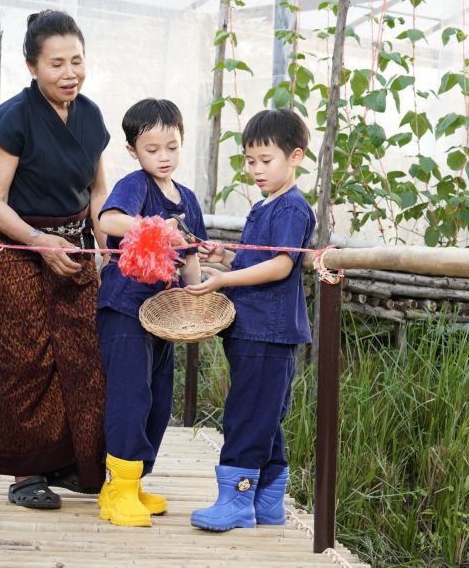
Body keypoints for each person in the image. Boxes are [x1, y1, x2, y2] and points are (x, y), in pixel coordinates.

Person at [0, 10, 109, 509]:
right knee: (25, 359)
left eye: (77, 61)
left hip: (74, 247)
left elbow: (98, 191)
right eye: (57, 63)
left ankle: (72, 465)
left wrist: (106, 250)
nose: (70, 72)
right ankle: (26, 473)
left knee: (84, 354)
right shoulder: (12, 117)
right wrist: (39, 241)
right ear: (32, 66)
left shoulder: (91, 114)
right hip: (19, 251)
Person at [185, 108, 316, 531]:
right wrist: (224, 257)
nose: (257, 170)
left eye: (266, 160)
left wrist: (223, 280)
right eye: (250, 161)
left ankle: (237, 501)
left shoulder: (292, 208)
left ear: (294, 157)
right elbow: (257, 256)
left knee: (246, 415)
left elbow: (280, 266)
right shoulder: (266, 205)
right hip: (252, 329)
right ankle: (269, 500)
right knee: (263, 415)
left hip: (270, 331)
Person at [96, 99, 207, 527]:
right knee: (131, 396)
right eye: (152, 149)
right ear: (133, 151)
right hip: (124, 309)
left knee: (159, 399)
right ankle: (116, 490)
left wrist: (194, 301)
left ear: (182, 144)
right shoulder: (135, 186)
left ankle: (136, 480)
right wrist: (154, 228)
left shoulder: (189, 200)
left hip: (164, 314)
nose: (163, 157)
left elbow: (191, 255)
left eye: (172, 147)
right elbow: (109, 221)